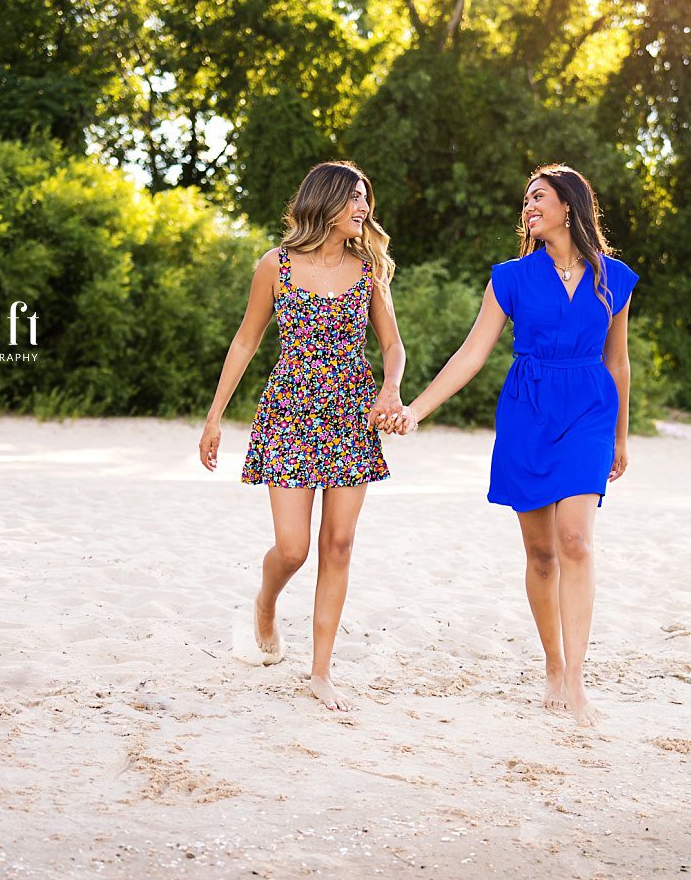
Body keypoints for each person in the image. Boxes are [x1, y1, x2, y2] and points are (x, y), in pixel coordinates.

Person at [397, 163, 637, 725]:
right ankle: (553, 664)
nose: (527, 207)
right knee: (541, 553)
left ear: (569, 207)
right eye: (525, 199)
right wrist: (416, 409)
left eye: (538, 197)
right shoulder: (510, 277)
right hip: (527, 411)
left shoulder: (614, 279)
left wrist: (622, 435)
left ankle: (576, 682)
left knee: (575, 539)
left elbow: (618, 362)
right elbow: (471, 353)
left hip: (588, 412)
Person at [200, 160, 406, 712]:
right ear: (328, 202)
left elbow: (392, 346)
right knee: (293, 549)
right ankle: (265, 606)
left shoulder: (369, 270)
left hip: (350, 415)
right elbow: (245, 342)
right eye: (356, 198)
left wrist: (390, 389)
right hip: (290, 411)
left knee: (338, 544)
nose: (365, 208)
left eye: (367, 198)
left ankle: (320, 672)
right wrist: (215, 416)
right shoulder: (276, 264)